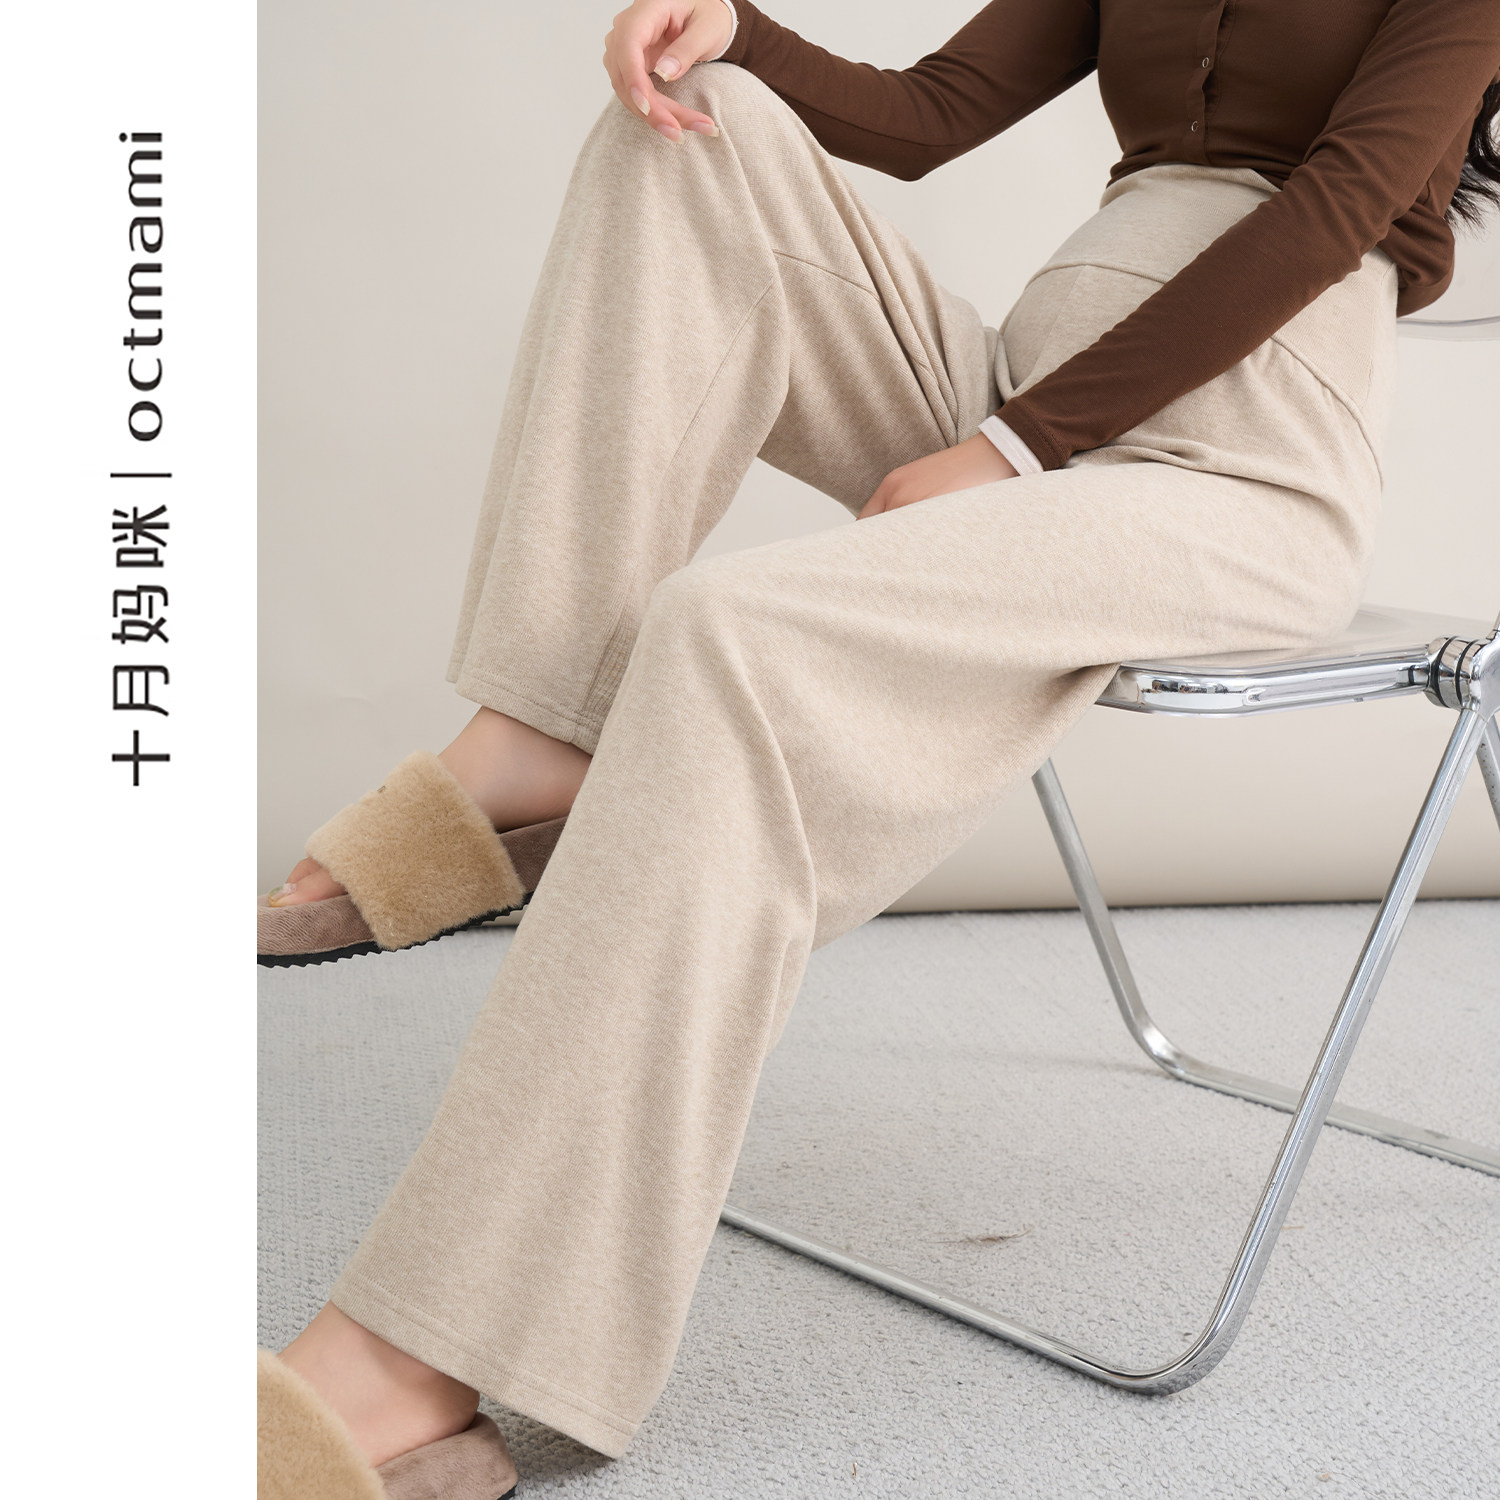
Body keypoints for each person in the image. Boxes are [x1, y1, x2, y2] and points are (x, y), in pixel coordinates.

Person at [256, 2, 1500, 1494]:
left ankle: (425, 1358)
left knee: (725, 633)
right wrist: (737, 26)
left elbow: (1335, 208)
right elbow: (929, 113)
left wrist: (1023, 449)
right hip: (1024, 395)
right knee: (701, 131)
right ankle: (541, 728)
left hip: (1234, 467)